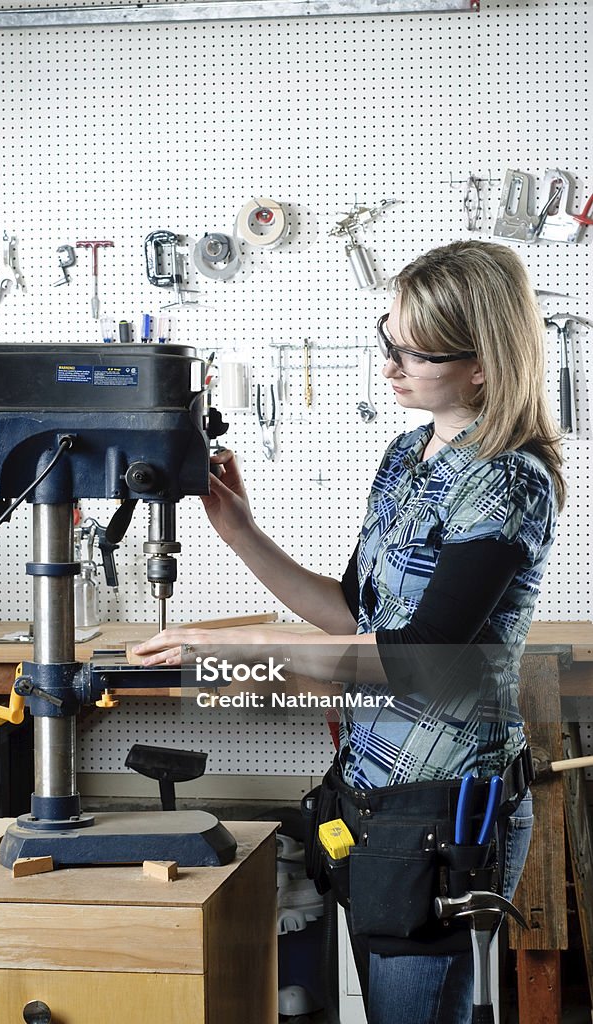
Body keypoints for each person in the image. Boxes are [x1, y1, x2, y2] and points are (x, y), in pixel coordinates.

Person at [131, 239, 565, 1024]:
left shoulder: (508, 479)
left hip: (446, 809)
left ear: (484, 366)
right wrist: (242, 535)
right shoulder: (408, 454)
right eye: (386, 338)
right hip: (371, 789)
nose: (390, 366)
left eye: (415, 352)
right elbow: (357, 619)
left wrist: (242, 651)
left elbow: (417, 658)